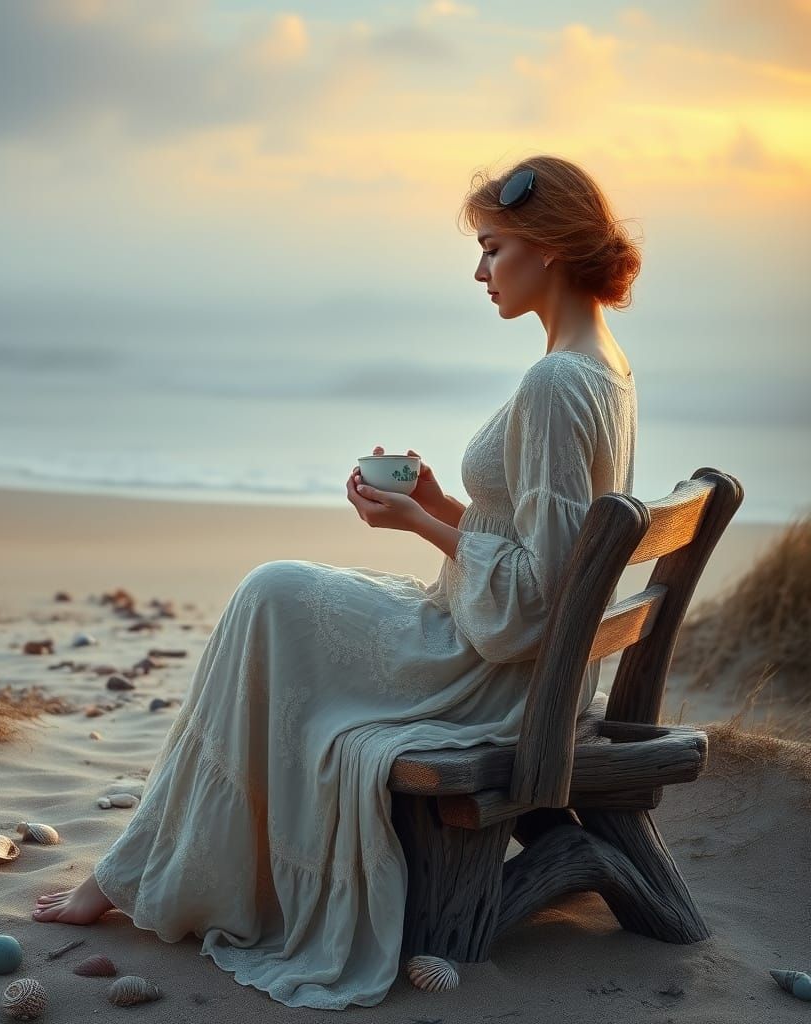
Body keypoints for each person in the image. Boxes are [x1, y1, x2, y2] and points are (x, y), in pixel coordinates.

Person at [31, 154, 641, 1010]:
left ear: (546, 249)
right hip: (528, 665)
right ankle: (154, 864)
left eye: (492, 248)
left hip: (500, 681)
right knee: (274, 601)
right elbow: (550, 558)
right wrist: (442, 502)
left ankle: (150, 873)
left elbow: (531, 602)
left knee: (270, 595)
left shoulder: (554, 381)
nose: (478, 271)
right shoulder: (604, 366)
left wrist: (420, 525)